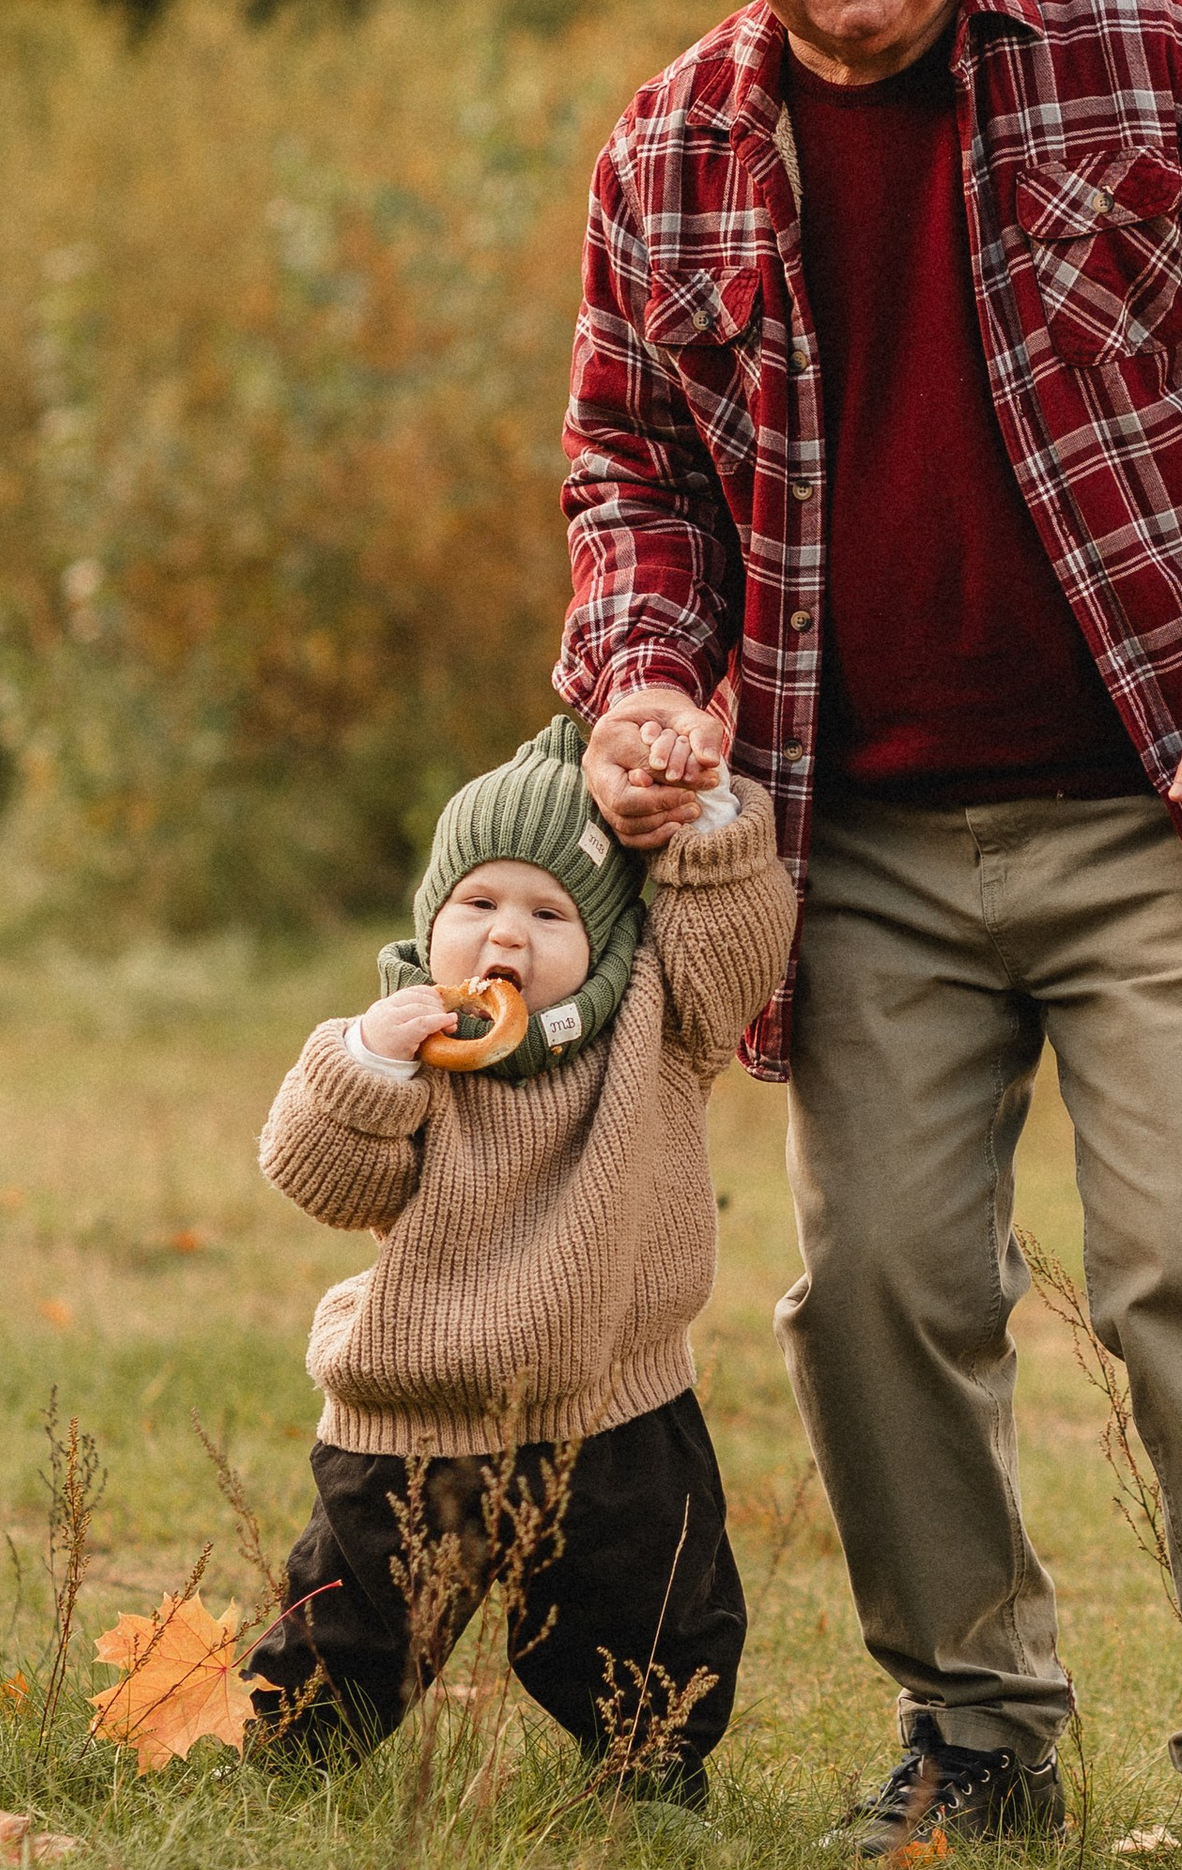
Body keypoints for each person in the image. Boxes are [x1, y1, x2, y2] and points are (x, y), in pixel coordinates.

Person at [555, 0, 1182, 1870]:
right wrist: (642, 683)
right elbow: (630, 471)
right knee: (873, 1291)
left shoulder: (1159, 52)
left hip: (1165, 803)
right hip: (851, 839)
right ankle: (974, 1726)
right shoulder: (668, 150)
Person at [246, 713, 797, 1802]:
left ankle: (650, 1781)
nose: (508, 935)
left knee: (654, 1615)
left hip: (615, 1400)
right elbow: (326, 1182)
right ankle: (288, 1765)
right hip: (419, 1408)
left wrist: (707, 817)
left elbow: (734, 945)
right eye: (478, 904)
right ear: (431, 918)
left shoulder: (658, 1025)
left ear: (607, 936)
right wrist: (365, 1064)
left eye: (550, 913)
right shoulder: (412, 1045)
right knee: (353, 1622)